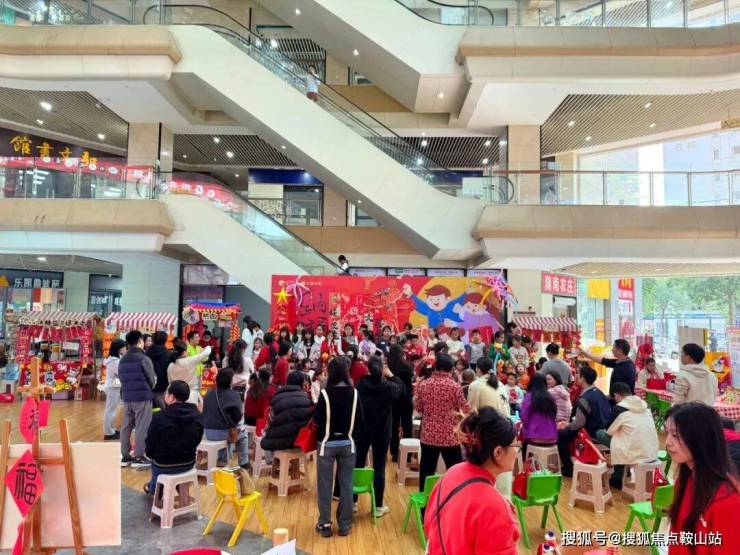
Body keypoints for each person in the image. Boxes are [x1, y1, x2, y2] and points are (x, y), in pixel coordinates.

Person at [423, 407, 520, 555]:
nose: (517, 450)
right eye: (515, 445)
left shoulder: (452, 472)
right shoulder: (496, 508)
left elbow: (429, 523)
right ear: (498, 452)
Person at [665, 403, 740, 555]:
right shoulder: (684, 481)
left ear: (701, 439)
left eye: (675, 435)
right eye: (667, 433)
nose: (667, 442)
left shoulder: (727, 501)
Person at [314, 358, 365, 538]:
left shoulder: (325, 394)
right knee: (347, 484)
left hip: (326, 444)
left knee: (325, 485)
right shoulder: (354, 393)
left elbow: (317, 419)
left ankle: (325, 524)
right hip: (348, 443)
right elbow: (360, 419)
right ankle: (344, 524)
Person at [355, 355, 403, 518]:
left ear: (368, 369)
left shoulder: (361, 384)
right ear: (382, 369)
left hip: (362, 430)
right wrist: (392, 375)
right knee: (379, 467)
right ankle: (378, 506)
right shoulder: (388, 386)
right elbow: (401, 389)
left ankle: (353, 502)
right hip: (382, 432)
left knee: (358, 463)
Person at [414, 353, 468, 493]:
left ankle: (425, 502)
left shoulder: (424, 385)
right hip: (450, 437)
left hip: (428, 435)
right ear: (450, 369)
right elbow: (464, 409)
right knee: (454, 472)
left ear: (436, 367)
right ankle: (453, 500)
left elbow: (418, 408)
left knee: (426, 472)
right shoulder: (455, 387)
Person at [595, 382, 658, 490]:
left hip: (632, 451)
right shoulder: (645, 405)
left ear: (616, 395)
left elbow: (608, 431)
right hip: (651, 450)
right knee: (622, 438)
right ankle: (622, 472)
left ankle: (617, 477)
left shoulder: (619, 408)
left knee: (601, 434)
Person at [143, 380, 203, 495]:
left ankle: (155, 490)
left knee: (156, 468)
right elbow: (198, 439)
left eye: (167, 393)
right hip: (188, 462)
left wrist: (151, 455)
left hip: (163, 464)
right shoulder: (197, 415)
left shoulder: (159, 417)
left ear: (172, 397)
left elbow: (150, 443)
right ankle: (180, 491)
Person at [557, 365, 611, 477]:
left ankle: (568, 468)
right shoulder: (600, 393)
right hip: (604, 430)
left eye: (578, 374)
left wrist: (567, 425)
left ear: (583, 378)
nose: (576, 376)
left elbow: (578, 424)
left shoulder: (585, 398)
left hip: (591, 433)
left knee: (561, 434)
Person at [119, 330, 157, 468]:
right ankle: (139, 457)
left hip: (127, 397)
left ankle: (125, 456)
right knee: (142, 427)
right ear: (140, 341)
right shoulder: (144, 358)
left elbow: (121, 378)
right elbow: (152, 379)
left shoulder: (123, 359)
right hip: (142, 397)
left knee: (126, 427)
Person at [202, 368, 250, 469]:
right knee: (243, 433)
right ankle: (243, 462)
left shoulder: (209, 393)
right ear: (230, 381)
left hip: (207, 432)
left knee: (226, 437)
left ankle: (222, 460)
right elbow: (238, 416)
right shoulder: (233, 395)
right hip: (222, 433)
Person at [261, 371, 313, 451]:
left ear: (287, 382)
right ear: (301, 384)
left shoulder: (277, 397)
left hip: (279, 442)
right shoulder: (306, 399)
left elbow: (270, 421)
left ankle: (270, 458)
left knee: (265, 438)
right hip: (300, 442)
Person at [388, 344, 414, 462]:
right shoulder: (407, 366)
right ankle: (407, 455)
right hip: (406, 399)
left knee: (393, 426)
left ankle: (394, 452)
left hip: (393, 399)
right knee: (407, 426)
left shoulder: (389, 367)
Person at [520, 374, 558, 452]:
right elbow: (554, 415)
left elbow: (524, 417)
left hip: (535, 437)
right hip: (553, 437)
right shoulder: (550, 397)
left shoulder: (530, 396)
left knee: (522, 445)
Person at [102, 339, 126, 440]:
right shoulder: (116, 362)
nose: (125, 349)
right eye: (124, 347)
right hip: (113, 387)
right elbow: (121, 374)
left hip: (112, 385)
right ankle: (109, 433)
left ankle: (111, 429)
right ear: (119, 348)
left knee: (111, 409)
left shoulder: (112, 359)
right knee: (110, 410)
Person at [147, 331, 172, 410]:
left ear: (153, 340)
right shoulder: (169, 354)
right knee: (164, 408)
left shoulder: (147, 353)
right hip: (164, 385)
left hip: (149, 385)